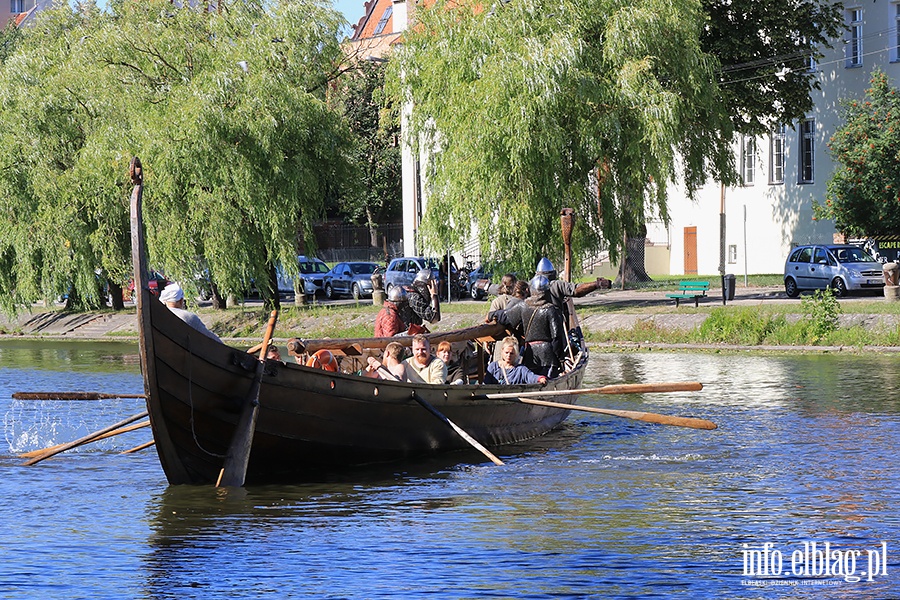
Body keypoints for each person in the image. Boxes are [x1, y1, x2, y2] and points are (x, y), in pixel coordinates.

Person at [492, 275, 565, 378]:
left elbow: (505, 316)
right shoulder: (551, 310)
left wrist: (492, 314)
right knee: (546, 380)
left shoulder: (523, 306)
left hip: (530, 353)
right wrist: (561, 359)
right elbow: (556, 338)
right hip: (547, 355)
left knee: (533, 379)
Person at [535, 257, 610, 328]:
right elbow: (576, 290)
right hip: (553, 324)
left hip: (535, 325)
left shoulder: (529, 287)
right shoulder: (556, 285)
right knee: (558, 340)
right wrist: (596, 284)